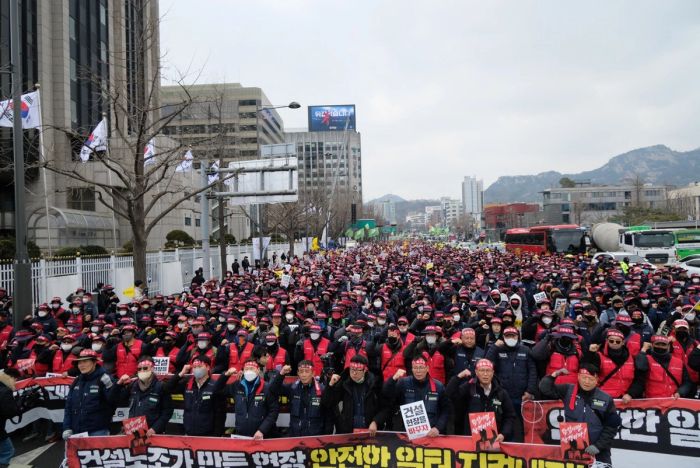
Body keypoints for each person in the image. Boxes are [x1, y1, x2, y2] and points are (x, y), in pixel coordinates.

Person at [539, 362, 622, 467]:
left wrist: (598, 446)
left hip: (599, 451)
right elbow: (545, 388)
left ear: (597, 380)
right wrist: (554, 374)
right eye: (584, 378)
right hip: (574, 450)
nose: (587, 382)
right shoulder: (568, 390)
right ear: (578, 376)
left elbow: (612, 426)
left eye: (591, 379)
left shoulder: (606, 398)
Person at [164, 356, 235, 436]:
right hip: (189, 432)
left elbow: (220, 414)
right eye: (194, 367)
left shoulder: (216, 386)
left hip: (208, 435)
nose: (197, 369)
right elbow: (167, 388)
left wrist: (216, 435)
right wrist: (181, 373)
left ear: (208, 367)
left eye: (200, 366)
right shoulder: (187, 384)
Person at [446, 359, 515, 441]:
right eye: (482, 370)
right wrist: (458, 377)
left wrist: (503, 434)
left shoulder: (501, 392)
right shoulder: (469, 387)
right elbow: (449, 394)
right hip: (471, 439)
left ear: (493, 373)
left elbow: (510, 416)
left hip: (494, 441)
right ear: (476, 372)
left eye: (488, 371)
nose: (485, 374)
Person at [383, 355, 451, 437]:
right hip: (408, 435)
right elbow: (386, 395)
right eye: (415, 368)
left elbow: (446, 410)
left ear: (427, 368)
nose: (418, 371)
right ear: (412, 369)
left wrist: (438, 428)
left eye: (421, 368)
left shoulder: (438, 386)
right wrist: (393, 379)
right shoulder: (403, 383)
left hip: (431, 435)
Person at [321, 355, 390, 435]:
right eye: (352, 369)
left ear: (365, 370)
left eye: (358, 370)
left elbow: (386, 407)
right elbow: (327, 403)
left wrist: (376, 421)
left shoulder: (375, 384)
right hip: (348, 432)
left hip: (370, 432)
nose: (354, 373)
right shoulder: (344, 382)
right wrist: (330, 385)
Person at [112, 356, 174, 436]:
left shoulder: (161, 386)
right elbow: (115, 398)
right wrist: (118, 384)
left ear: (152, 368)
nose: (142, 371)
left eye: (145, 368)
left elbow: (168, 411)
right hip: (134, 432)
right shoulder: (132, 385)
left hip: (152, 434)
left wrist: (155, 428)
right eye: (139, 369)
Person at [63, 350, 117, 439]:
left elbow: (113, 401)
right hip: (77, 432)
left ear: (94, 362)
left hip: (98, 431)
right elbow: (68, 406)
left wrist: (117, 386)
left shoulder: (105, 379)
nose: (81, 365)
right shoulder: (77, 380)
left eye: (85, 361)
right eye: (79, 362)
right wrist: (67, 427)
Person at [226, 360, 280, 439]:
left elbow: (274, 411)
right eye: (246, 369)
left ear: (258, 370)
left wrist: (262, 430)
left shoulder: (267, 388)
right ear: (243, 371)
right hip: (241, 435)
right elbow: (218, 390)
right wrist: (226, 375)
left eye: (252, 369)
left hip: (261, 436)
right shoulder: (237, 386)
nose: (249, 371)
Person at [274, 361, 330, 436]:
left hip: (316, 437)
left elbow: (328, 416)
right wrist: (281, 374)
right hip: (295, 436)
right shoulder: (292, 388)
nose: (304, 374)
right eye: (301, 371)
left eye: (307, 371)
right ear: (298, 373)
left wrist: (326, 436)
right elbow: (273, 389)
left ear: (313, 373)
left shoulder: (322, 390)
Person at [0, 368, 20, 468]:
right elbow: (9, 412)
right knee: (8, 450)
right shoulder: (5, 391)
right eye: (15, 379)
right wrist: (18, 404)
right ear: (11, 377)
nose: (15, 382)